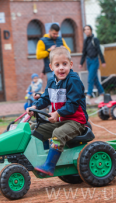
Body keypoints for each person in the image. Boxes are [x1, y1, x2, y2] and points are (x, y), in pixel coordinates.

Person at [27, 46, 88, 176]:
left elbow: (72, 105)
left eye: (64, 64)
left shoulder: (73, 81)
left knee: (58, 133)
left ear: (71, 65)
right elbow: (46, 98)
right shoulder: (51, 81)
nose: (61, 68)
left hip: (75, 121)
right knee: (33, 128)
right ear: (51, 67)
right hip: (60, 120)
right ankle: (40, 158)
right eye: (57, 64)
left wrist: (57, 113)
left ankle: (49, 166)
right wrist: (35, 107)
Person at [79, 25, 106, 105]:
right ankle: (102, 94)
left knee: (90, 79)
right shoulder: (85, 41)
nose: (87, 31)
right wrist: (81, 62)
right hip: (88, 61)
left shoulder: (95, 40)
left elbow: (99, 51)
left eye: (88, 29)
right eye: (85, 29)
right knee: (95, 79)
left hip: (95, 61)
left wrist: (103, 61)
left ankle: (88, 97)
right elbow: (84, 52)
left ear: (91, 30)